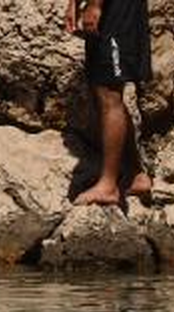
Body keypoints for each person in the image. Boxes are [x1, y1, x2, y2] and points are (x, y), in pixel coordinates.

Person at [65, 0, 153, 206]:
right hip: (111, 10)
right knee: (103, 88)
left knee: (109, 94)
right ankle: (135, 175)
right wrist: (74, 3)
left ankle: (108, 185)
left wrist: (95, 5)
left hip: (116, 9)